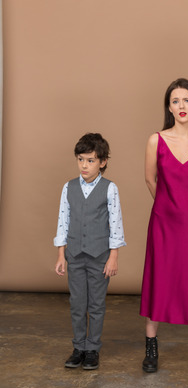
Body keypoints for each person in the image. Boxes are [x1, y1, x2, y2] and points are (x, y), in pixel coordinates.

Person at [140, 78, 188, 373]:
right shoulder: (155, 140)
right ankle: (151, 348)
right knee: (159, 276)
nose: (181, 106)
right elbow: (150, 180)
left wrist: (187, 206)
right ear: (168, 107)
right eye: (175, 101)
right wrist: (168, 207)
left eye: (187, 100)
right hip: (162, 221)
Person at [54, 133, 126, 370]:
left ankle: (92, 348)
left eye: (91, 160)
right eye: (81, 159)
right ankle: (78, 347)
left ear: (102, 162)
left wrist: (113, 256)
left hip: (99, 257)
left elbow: (115, 224)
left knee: (95, 304)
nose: (84, 165)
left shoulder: (109, 188)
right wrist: (61, 254)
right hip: (74, 255)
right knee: (77, 303)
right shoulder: (69, 187)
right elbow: (63, 220)